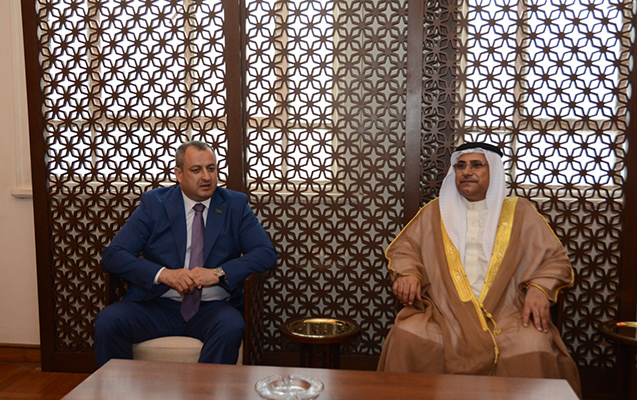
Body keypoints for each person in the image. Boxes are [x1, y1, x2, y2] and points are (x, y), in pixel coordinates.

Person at [377, 142, 581, 397]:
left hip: (506, 313)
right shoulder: (435, 212)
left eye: (476, 165)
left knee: (534, 344)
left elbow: (556, 260)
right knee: (406, 335)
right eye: (460, 166)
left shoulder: (520, 212)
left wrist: (540, 289)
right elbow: (404, 249)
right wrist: (408, 273)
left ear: (493, 171)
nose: (466, 171)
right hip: (442, 312)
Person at [94, 140, 277, 367]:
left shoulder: (234, 205)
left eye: (211, 168)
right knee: (108, 321)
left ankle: (204, 387)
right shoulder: (155, 203)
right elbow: (114, 255)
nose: (206, 177)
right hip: (157, 305)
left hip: (212, 308)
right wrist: (164, 274)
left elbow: (266, 253)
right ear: (179, 174)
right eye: (196, 170)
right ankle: (123, 387)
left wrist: (218, 273)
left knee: (231, 326)